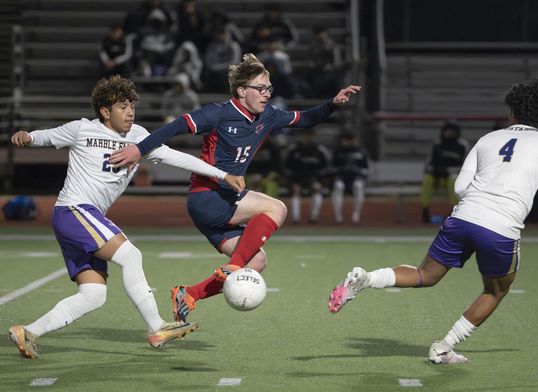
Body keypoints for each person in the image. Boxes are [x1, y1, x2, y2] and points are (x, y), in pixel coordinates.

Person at [110, 53, 360, 324]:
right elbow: (173, 128)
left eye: (269, 88)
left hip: (226, 203)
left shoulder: (270, 116)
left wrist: (333, 104)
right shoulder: (218, 113)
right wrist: (138, 149)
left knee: (257, 262)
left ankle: (189, 294)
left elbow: (307, 119)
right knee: (277, 208)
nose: (267, 94)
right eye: (261, 88)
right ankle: (232, 267)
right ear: (242, 91)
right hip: (207, 198)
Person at [7, 75, 244, 359]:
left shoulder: (139, 138)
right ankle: (157, 327)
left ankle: (29, 331)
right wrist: (28, 137)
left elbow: (177, 157)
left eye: (132, 105)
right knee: (131, 256)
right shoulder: (82, 129)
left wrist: (222, 174)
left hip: (82, 219)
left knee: (93, 295)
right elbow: (46, 136)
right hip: (74, 211)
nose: (130, 111)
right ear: (105, 111)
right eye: (122, 106)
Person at [328, 78, 538, 364]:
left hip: (463, 216)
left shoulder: (488, 139)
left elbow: (460, 189)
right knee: (496, 290)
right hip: (500, 226)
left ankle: (366, 278)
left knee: (424, 275)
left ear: (512, 113)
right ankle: (444, 347)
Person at [421, 120, 469, 223]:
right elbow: (428, 164)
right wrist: (435, 170)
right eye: (448, 130)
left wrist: (448, 170)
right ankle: (425, 210)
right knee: (427, 179)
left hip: (453, 178)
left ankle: (455, 211)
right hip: (438, 179)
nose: (450, 133)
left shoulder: (462, 146)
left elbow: (466, 166)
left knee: (453, 180)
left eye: (452, 131)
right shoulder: (437, 144)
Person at [283, 131, 330, 223]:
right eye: (304, 135)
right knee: (296, 190)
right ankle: (296, 218)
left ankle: (314, 217)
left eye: (309, 135)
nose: (307, 138)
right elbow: (286, 166)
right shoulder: (293, 150)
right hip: (297, 178)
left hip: (314, 177)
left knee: (317, 188)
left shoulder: (320, 150)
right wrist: (292, 179)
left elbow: (326, 167)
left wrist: (320, 179)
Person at [330, 131, 369, 224]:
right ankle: (338, 216)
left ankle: (356, 215)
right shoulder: (338, 152)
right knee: (338, 186)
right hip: (342, 177)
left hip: (356, 177)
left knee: (358, 186)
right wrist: (341, 169)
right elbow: (331, 167)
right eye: (347, 139)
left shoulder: (361, 151)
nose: (349, 142)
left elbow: (366, 168)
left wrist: (358, 171)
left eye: (351, 139)